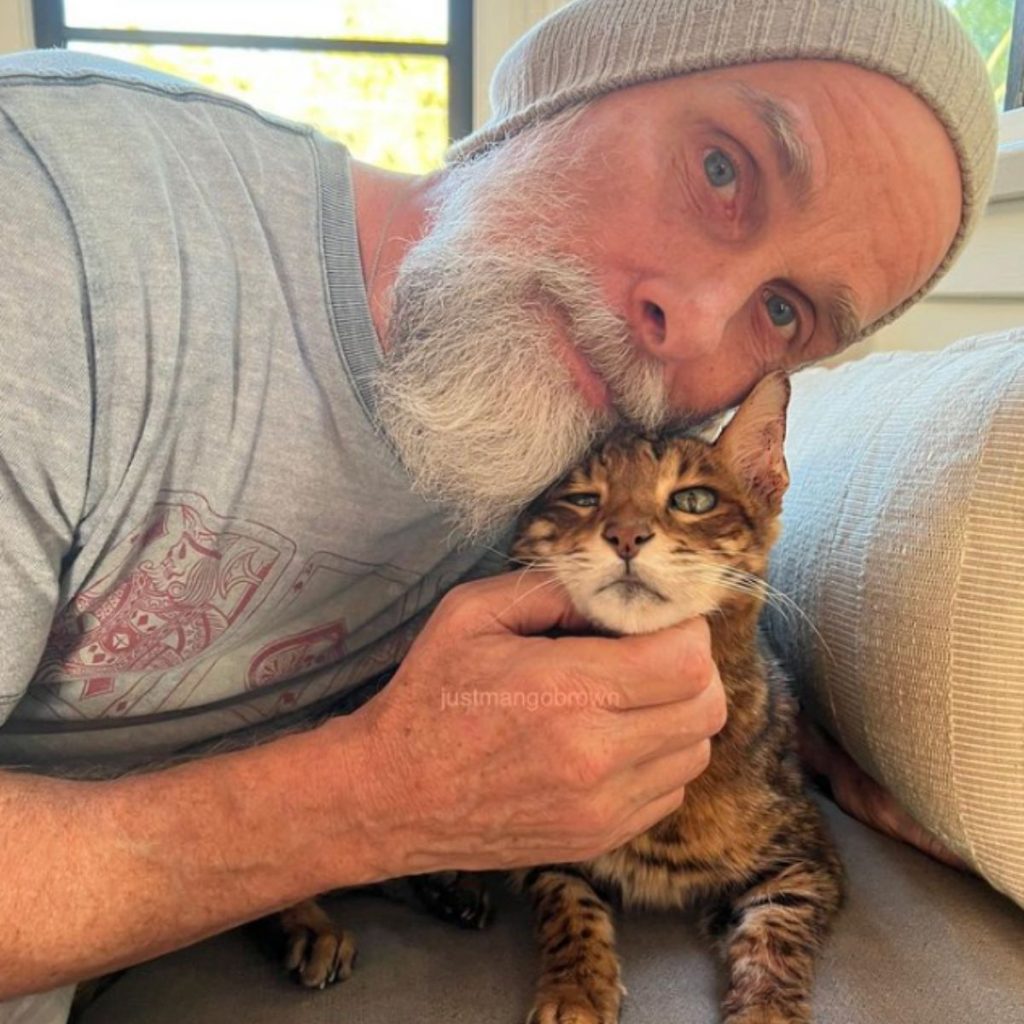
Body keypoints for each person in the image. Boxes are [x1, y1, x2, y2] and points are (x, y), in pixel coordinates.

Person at [0, 0, 997, 1020]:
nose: (690, 321)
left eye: (781, 312)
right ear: (582, 73)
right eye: (722, 169)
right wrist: (367, 800)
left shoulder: (582, 427)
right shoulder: (56, 220)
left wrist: (808, 731)